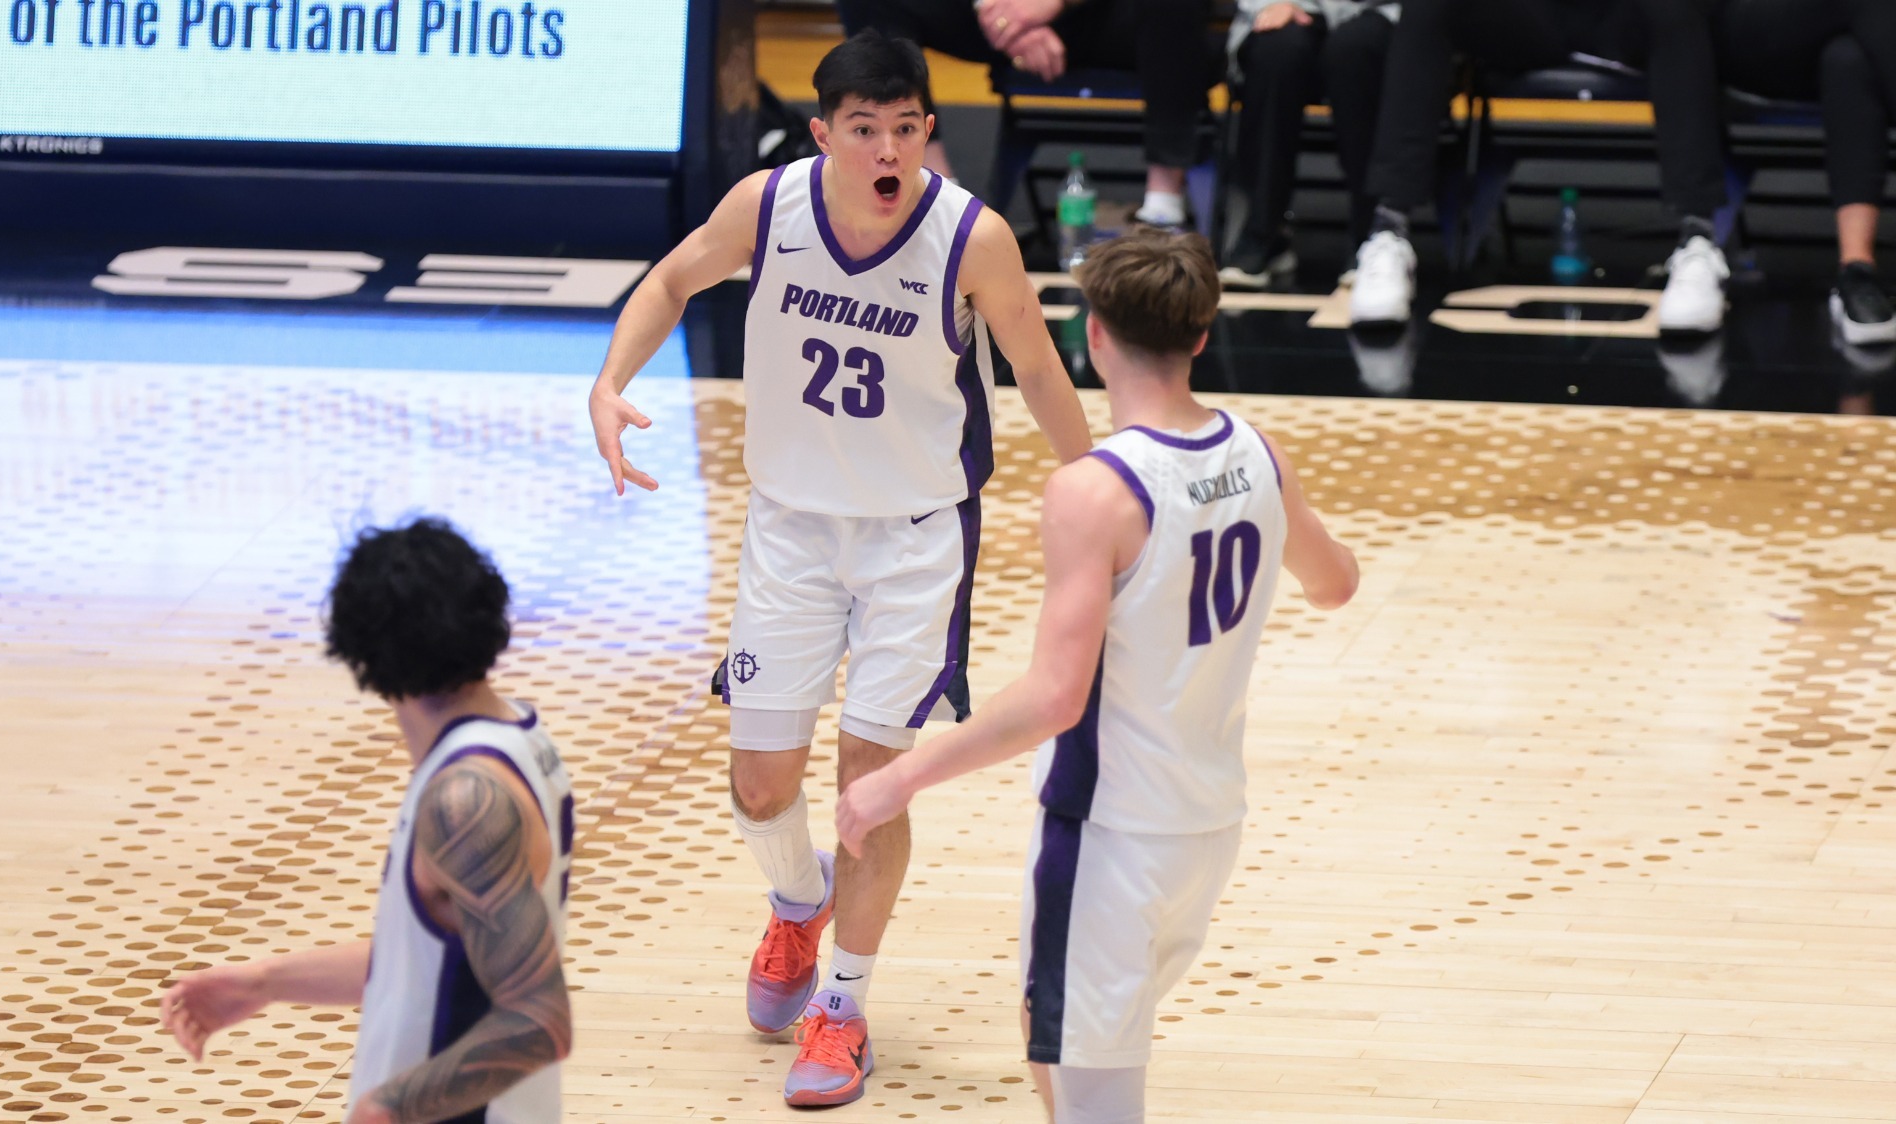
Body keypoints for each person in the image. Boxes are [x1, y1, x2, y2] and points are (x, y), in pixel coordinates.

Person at [588, 30, 1093, 1108]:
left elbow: (1041, 371)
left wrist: (1110, 495)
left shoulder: (972, 238)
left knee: (869, 787)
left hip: (914, 539)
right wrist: (608, 380)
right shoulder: (765, 207)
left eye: (903, 128)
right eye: (860, 128)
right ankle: (793, 902)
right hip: (788, 529)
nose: (884, 148)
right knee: (758, 783)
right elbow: (671, 281)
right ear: (823, 134)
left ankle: (843, 1009)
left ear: (924, 131)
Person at [835, 230, 1359, 1124]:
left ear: (1095, 339)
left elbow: (1054, 698)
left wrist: (898, 778)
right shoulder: (1257, 454)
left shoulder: (1096, 492)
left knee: (1091, 1087)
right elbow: (1336, 582)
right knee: (1058, 1039)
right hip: (1210, 822)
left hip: (1111, 834)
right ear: (1201, 337)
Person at [159, 518, 574, 1124]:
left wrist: (387, 1107)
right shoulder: (519, 741)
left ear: (362, 656)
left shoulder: (466, 798)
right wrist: (265, 982)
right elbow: (441, 962)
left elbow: (538, 1021)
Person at [1344, 0, 1739, 334]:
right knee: (1430, 5)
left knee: (1677, 10)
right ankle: (1389, 229)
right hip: (1534, 16)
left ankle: (1698, 240)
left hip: (1625, 15)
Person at [1641, 0, 1896, 344]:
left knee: (1848, 58)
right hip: (1709, 30)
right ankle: (1697, 243)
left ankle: (1857, 271)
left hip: (1808, 28)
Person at [836, 0, 1216, 230]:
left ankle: (1163, 205)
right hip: (998, 15)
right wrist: (1002, 16)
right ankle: (932, 188)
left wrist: (1051, 4)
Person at [1220, 0, 1400, 289]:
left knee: (1355, 50)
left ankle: (1373, 235)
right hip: (1289, 6)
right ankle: (1263, 231)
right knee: (1276, 49)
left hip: (1378, 10)